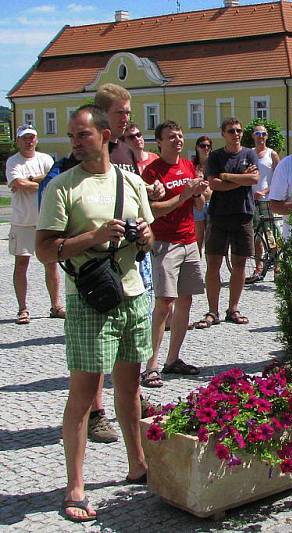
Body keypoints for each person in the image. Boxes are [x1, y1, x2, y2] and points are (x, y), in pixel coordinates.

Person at [36, 105, 154, 523]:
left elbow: (151, 234)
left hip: (134, 296)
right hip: (90, 302)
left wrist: (144, 234)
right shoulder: (62, 187)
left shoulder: (132, 181)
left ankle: (137, 463)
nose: (74, 142)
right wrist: (95, 236)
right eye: (71, 136)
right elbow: (45, 249)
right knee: (83, 397)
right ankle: (75, 486)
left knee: (130, 387)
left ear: (106, 136)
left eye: (82, 135)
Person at [90, 82, 163, 444]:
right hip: (98, 261)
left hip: (132, 257)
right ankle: (95, 412)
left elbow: (132, 192)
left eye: (129, 113)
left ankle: (131, 397)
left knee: (130, 338)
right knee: (97, 344)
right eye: (121, 113)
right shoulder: (89, 149)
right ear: (103, 113)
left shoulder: (125, 149)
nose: (128, 119)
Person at [140, 121, 208, 388]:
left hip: (189, 239)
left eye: (180, 135)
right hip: (164, 243)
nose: (177, 140)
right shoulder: (152, 172)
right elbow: (153, 210)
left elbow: (198, 203)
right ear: (159, 142)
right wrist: (183, 195)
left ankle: (173, 359)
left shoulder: (188, 166)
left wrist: (199, 193)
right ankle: (151, 365)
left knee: (186, 301)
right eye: (171, 137)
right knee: (164, 303)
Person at [196, 117, 259, 328]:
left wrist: (227, 176)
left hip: (243, 214)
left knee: (239, 265)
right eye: (231, 131)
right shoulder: (215, 156)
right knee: (214, 264)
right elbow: (214, 185)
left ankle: (233, 308)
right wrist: (239, 178)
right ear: (223, 134)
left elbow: (254, 180)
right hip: (219, 215)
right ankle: (212, 310)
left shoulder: (249, 153)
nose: (236, 134)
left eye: (239, 130)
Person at [6, 124, 64, 324]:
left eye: (32, 138)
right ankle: (22, 309)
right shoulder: (13, 161)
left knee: (52, 263)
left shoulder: (46, 159)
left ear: (37, 140)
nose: (29, 141)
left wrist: (30, 181)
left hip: (46, 219)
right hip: (23, 220)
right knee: (21, 264)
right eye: (25, 138)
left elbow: (55, 181)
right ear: (18, 141)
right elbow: (17, 184)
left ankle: (56, 306)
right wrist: (40, 182)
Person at [250, 124, 281, 282]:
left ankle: (277, 267)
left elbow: (278, 178)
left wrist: (265, 192)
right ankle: (258, 268)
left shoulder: (272, 154)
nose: (260, 136)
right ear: (253, 136)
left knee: (270, 234)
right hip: (251, 200)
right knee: (255, 236)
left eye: (263, 133)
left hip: (267, 199)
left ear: (267, 136)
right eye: (257, 133)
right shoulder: (249, 154)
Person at [191, 136, 213, 256]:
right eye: (202, 146)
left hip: (211, 202)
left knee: (211, 239)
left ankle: (210, 267)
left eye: (208, 146)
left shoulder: (214, 164)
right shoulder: (192, 165)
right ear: (197, 147)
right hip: (197, 203)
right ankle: (197, 264)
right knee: (198, 238)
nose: (205, 148)